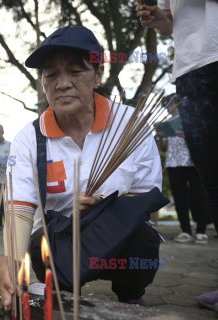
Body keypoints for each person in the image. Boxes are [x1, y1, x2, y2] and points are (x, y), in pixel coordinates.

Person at [0, 26, 165, 309]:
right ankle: (63, 290)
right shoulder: (30, 138)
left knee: (143, 240)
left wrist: (105, 211)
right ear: (42, 81)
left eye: (75, 71)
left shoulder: (129, 124)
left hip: (120, 236)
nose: (62, 83)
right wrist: (12, 259)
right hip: (62, 240)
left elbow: (145, 198)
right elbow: (20, 208)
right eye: (51, 75)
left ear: (98, 75)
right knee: (41, 249)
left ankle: (130, 291)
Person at [137, 2, 218, 311]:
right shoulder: (171, 118)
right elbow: (174, 26)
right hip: (191, 68)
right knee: (212, 182)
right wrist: (161, 20)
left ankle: (197, 229)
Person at [155, 94, 210, 244]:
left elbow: (202, 142)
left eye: (170, 103)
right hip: (174, 163)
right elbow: (164, 149)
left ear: (178, 103)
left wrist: (188, 136)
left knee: (199, 196)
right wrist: (159, 137)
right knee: (180, 198)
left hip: (192, 163)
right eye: (166, 104)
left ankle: (201, 231)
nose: (168, 107)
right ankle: (185, 231)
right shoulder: (166, 123)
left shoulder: (192, 119)